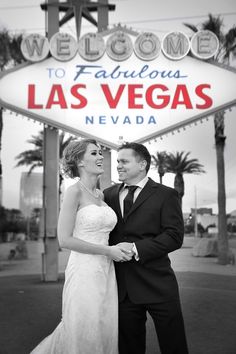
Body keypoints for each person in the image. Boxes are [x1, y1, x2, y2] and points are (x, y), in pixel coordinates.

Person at [30, 139, 132, 354]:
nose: (100, 157)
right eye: (94, 153)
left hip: (106, 271)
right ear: (80, 161)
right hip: (84, 271)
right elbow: (64, 240)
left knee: (104, 325)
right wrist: (108, 251)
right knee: (84, 327)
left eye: (100, 153)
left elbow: (104, 233)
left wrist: (117, 247)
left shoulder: (100, 195)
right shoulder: (73, 191)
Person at [104, 142, 189, 354]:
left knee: (174, 345)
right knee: (129, 348)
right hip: (122, 289)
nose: (119, 166)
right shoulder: (108, 195)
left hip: (158, 284)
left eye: (124, 161)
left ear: (142, 164)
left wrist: (135, 248)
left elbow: (174, 236)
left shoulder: (166, 194)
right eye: (117, 162)